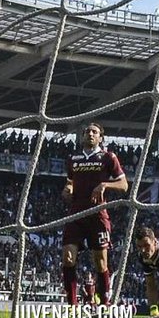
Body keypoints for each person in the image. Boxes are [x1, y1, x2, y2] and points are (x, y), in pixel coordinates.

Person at [61, 122, 127, 307]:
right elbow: (70, 182)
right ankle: (71, 305)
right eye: (87, 131)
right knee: (67, 257)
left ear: (100, 137)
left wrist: (105, 185)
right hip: (75, 214)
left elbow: (124, 185)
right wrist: (68, 189)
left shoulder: (108, 157)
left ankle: (105, 301)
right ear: (82, 136)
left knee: (100, 262)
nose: (90, 134)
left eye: (94, 132)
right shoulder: (73, 159)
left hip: (97, 215)